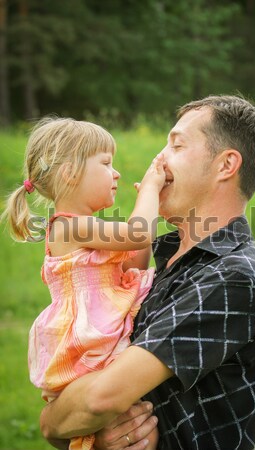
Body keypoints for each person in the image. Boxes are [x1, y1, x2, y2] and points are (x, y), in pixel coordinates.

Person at [38, 95, 255, 450]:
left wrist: (61, 424)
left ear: (226, 165)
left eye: (177, 144)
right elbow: (69, 416)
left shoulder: (236, 278)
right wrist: (78, 431)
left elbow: (97, 401)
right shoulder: (166, 262)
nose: (160, 158)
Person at [3, 117, 167, 450]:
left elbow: (136, 259)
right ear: (70, 173)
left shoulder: (88, 227)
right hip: (89, 342)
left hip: (104, 330)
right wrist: (150, 190)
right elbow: (139, 232)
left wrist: (152, 211)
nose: (116, 173)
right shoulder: (67, 227)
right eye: (106, 163)